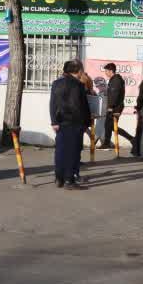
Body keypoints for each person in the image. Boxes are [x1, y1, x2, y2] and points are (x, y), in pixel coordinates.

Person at [49, 60, 92, 190]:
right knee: (73, 152)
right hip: (75, 123)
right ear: (78, 71)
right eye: (81, 70)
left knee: (60, 151)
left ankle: (59, 178)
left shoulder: (56, 83)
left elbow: (52, 104)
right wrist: (87, 122)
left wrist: (54, 121)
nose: (82, 72)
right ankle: (69, 180)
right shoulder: (78, 85)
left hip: (61, 122)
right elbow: (82, 106)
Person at [99, 63, 135, 151]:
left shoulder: (116, 80)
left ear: (111, 71)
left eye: (106, 71)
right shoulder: (114, 79)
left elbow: (114, 95)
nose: (105, 73)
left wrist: (111, 106)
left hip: (115, 107)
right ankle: (107, 143)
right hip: (115, 106)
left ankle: (131, 139)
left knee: (110, 125)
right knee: (109, 125)